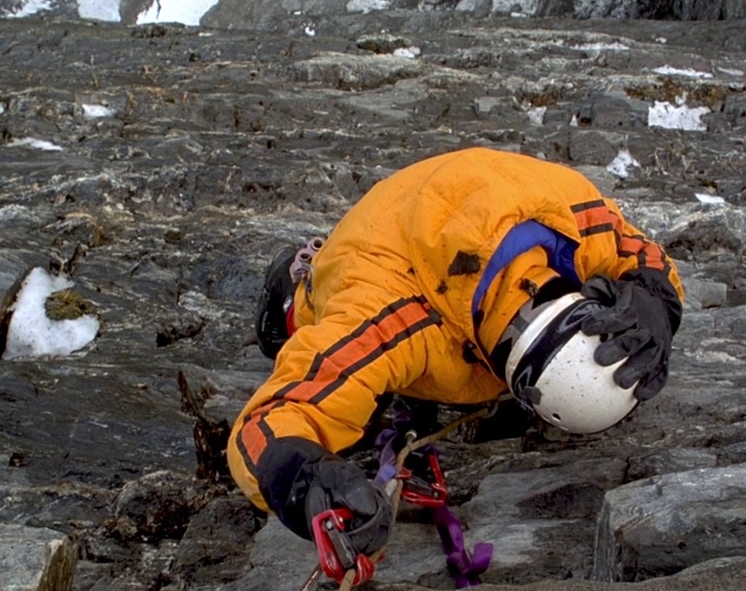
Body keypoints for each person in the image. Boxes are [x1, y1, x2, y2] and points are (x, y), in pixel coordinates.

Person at [227, 147, 684, 560]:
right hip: (384, 240)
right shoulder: (388, 315)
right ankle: (293, 278)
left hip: (487, 192)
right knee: (293, 324)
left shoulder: (575, 230)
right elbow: (266, 424)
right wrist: (304, 480)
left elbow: (643, 255)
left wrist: (653, 300)